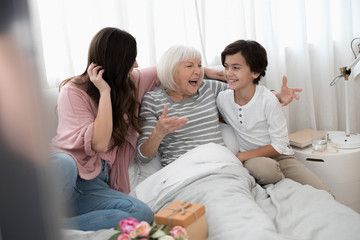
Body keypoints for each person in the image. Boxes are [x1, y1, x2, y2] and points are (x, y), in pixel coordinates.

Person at [50, 27, 229, 231]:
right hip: (68, 171)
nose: (136, 65)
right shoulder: (73, 91)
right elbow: (99, 142)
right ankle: (40, 212)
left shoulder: (130, 83)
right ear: (116, 62)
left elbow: (168, 69)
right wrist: (105, 92)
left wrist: (204, 70)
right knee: (63, 163)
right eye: (131, 60)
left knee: (141, 214)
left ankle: (54, 226)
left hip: (94, 183)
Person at [136, 44, 300, 168]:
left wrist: (277, 95)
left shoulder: (208, 88)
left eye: (200, 66)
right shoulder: (153, 100)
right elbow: (143, 157)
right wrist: (158, 133)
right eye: (189, 66)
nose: (198, 72)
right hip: (183, 171)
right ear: (171, 71)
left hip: (222, 166)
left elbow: (247, 92)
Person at [216, 39, 330, 192]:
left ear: (255, 72)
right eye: (226, 67)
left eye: (236, 67)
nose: (228, 73)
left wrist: (242, 156)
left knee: (323, 191)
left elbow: (279, 144)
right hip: (254, 160)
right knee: (266, 170)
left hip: (280, 156)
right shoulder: (223, 99)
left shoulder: (268, 100)